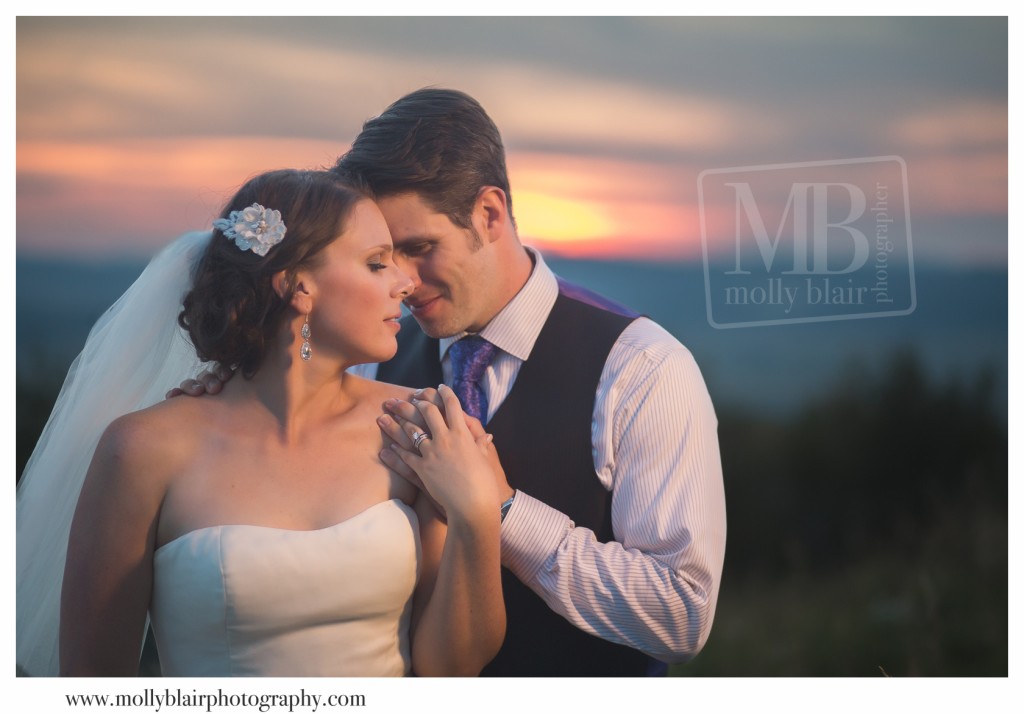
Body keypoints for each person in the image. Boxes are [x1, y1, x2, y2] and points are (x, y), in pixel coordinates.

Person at [181, 88, 727, 676]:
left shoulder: (642, 370)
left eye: (419, 249)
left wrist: (503, 511)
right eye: (382, 257)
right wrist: (236, 394)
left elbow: (681, 614)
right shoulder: (370, 360)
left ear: (489, 214)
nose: (402, 282)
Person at [16, 169, 505, 677]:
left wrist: (477, 516)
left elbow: (450, 670)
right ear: (298, 286)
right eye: (376, 263)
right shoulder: (143, 450)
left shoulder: (417, 428)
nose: (405, 283)